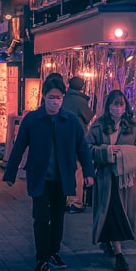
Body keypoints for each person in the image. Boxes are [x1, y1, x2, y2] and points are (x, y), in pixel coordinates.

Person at [3, 75, 93, 271]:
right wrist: (10, 174)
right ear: (44, 97)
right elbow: (19, 147)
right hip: (40, 177)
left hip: (62, 177)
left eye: (59, 98)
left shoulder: (70, 121)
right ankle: (41, 258)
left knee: (59, 217)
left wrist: (89, 173)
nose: (56, 101)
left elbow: (83, 149)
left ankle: (53, 251)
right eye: (52, 97)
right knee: (41, 218)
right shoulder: (32, 120)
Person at [85, 89, 136, 271]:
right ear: (108, 106)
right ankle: (119, 254)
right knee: (111, 211)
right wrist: (105, 151)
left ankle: (109, 242)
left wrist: (123, 152)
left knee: (120, 212)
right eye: (115, 104)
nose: (118, 108)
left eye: (121, 104)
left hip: (125, 179)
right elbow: (87, 147)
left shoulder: (134, 127)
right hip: (105, 177)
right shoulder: (98, 125)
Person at [62, 75, 94, 213]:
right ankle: (76, 202)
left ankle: (63, 199)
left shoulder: (63, 98)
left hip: (62, 138)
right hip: (76, 138)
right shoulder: (80, 101)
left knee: (64, 169)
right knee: (78, 170)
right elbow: (87, 117)